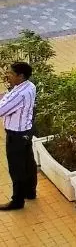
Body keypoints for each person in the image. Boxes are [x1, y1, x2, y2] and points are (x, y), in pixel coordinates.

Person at [0, 62, 36, 211]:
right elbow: (7, 98)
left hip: (16, 135)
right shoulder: (30, 86)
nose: (7, 75)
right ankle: (30, 192)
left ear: (20, 76)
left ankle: (17, 201)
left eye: (11, 73)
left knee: (17, 168)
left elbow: (1, 109)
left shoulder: (19, 94)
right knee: (28, 164)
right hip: (26, 131)